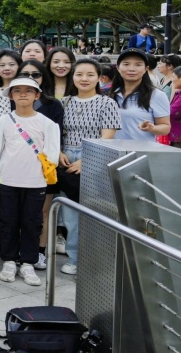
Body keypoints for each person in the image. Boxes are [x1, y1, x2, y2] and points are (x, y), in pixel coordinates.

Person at [0, 77, 60, 286]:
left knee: (32, 222)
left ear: (37, 95)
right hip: (7, 179)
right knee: (7, 221)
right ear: (11, 95)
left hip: (35, 181)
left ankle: (28, 262)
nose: (23, 94)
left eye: (28, 91)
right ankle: (9, 260)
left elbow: (52, 155)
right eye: (17, 90)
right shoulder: (3, 121)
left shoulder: (47, 123)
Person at [54, 59, 120, 275]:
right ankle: (74, 258)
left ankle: (94, 259)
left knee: (93, 212)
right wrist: (59, 152)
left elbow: (107, 138)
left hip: (94, 157)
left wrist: (86, 160)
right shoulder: (64, 102)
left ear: (99, 77)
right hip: (66, 160)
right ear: (72, 76)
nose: (84, 79)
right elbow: (56, 133)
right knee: (70, 214)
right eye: (79, 74)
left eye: (90, 75)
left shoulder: (107, 103)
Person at [111, 48, 171, 142]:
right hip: (112, 149)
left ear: (146, 68)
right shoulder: (111, 94)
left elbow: (166, 127)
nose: (131, 69)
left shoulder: (157, 95)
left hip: (141, 150)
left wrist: (152, 128)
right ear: (118, 68)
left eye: (138, 65)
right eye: (126, 64)